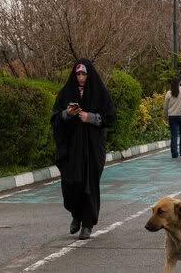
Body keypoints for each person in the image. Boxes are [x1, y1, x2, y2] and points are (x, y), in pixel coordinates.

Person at [51, 60, 116, 240]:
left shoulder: (99, 92)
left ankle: (87, 224)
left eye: (84, 74)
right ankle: (76, 215)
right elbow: (55, 117)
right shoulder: (66, 92)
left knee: (89, 185)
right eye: (78, 74)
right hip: (71, 149)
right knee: (71, 183)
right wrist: (67, 114)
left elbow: (110, 116)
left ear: (90, 75)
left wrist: (91, 117)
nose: (80, 78)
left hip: (93, 148)